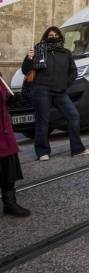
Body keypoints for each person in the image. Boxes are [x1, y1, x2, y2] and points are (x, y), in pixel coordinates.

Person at [21, 27, 89, 161]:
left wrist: (66, 83)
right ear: (45, 36)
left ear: (60, 37)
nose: (52, 37)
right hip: (41, 90)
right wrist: (29, 58)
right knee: (43, 121)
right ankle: (43, 152)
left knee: (74, 116)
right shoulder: (38, 50)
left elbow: (73, 71)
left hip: (60, 91)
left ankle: (77, 149)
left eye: (55, 35)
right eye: (50, 35)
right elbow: (25, 70)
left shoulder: (65, 53)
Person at [1, 72, 30, 217]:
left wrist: (12, 100)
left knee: (8, 171)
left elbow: (4, 98)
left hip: (4, 133)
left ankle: (10, 204)